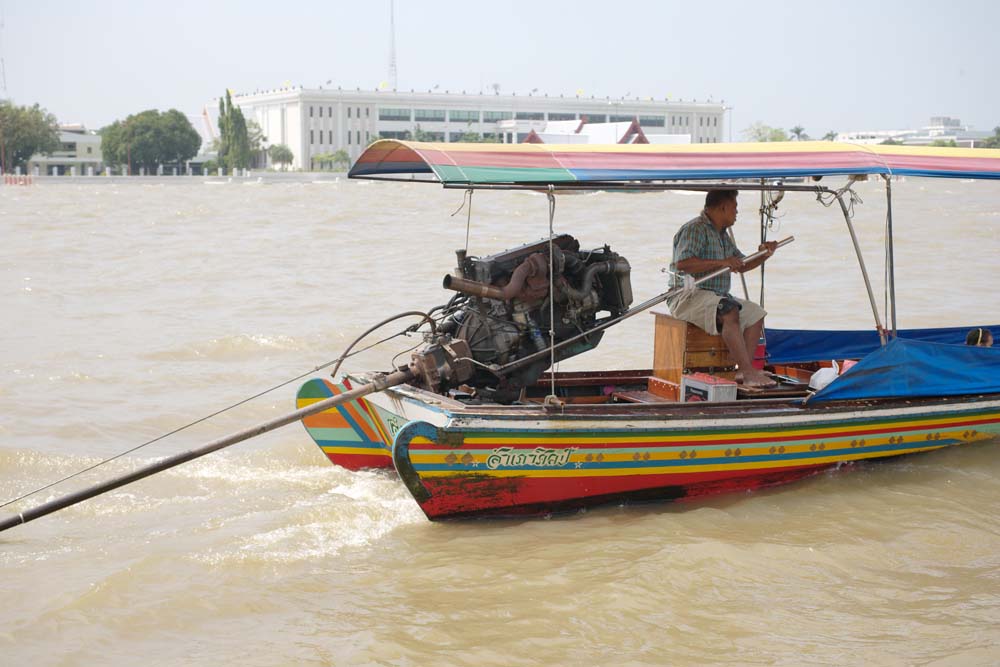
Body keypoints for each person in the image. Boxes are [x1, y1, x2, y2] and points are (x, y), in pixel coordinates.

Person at [666, 189, 778, 387]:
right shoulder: (696, 229)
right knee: (729, 309)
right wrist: (721, 262)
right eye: (734, 207)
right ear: (723, 207)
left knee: (755, 313)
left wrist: (763, 254)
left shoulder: (722, 235)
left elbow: (741, 265)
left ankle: (745, 371)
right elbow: (683, 263)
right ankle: (747, 371)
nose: (737, 212)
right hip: (688, 296)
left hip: (715, 296)